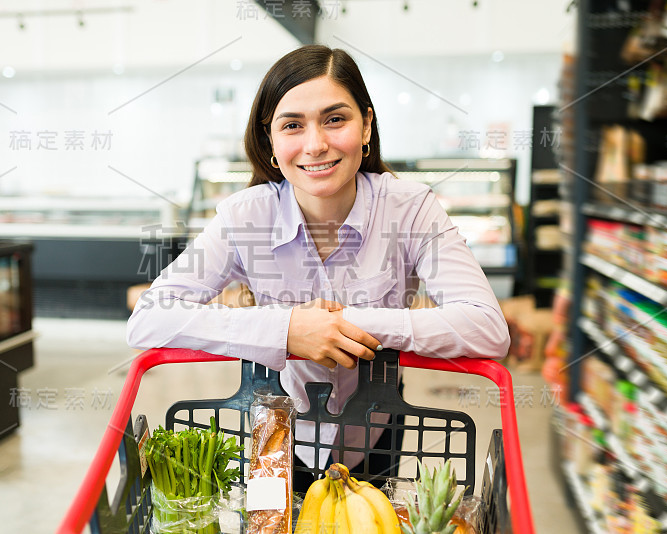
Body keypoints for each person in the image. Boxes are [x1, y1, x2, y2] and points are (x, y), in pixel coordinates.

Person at [127, 45, 510, 491]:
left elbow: (487, 327)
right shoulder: (244, 217)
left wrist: (346, 325)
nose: (316, 144)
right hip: (275, 432)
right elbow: (148, 316)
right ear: (270, 141)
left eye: (335, 119)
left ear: (366, 126)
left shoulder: (411, 210)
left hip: (375, 430)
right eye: (292, 125)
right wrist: (285, 329)